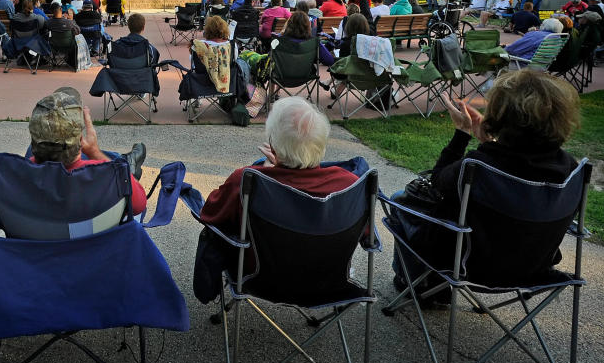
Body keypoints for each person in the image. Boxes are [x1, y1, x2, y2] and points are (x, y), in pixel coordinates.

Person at [389, 73, 580, 292]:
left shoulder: (479, 167)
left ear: (501, 116)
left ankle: (415, 285)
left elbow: (437, 184)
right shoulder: (570, 170)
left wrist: (462, 134)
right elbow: (518, 167)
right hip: (534, 269)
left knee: (399, 201)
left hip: (471, 268)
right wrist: (491, 143)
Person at [194, 96, 362, 293]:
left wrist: (267, 173)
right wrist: (274, 171)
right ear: (322, 143)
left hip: (259, 281)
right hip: (328, 283)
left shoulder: (247, 181)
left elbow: (210, 213)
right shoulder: (350, 186)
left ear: (273, 144)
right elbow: (365, 235)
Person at [28, 87, 147, 214]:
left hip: (35, 231)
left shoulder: (17, 173)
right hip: (93, 232)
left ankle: (123, 160)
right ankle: (125, 163)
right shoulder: (101, 173)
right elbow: (138, 206)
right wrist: (94, 152)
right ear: (80, 139)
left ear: (33, 136)